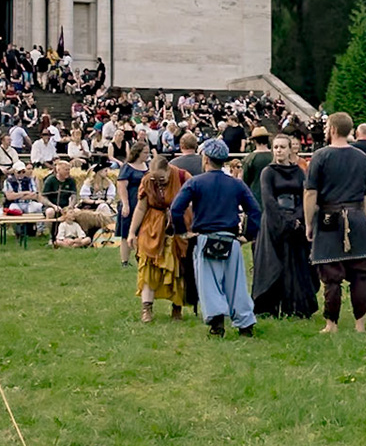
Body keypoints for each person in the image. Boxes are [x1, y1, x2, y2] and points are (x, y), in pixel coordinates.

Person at [167, 140, 262, 339]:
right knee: (236, 285)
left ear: (206, 159)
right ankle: (245, 324)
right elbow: (255, 210)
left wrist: (182, 232)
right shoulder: (236, 184)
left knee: (209, 284)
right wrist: (248, 235)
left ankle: (217, 322)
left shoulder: (195, 183)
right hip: (231, 239)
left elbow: (176, 208)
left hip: (205, 238)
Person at [304, 114, 366, 334]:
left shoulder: (320, 156)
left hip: (329, 216)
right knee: (360, 274)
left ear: (333, 129)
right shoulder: (363, 158)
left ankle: (332, 324)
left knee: (331, 275)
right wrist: (362, 217)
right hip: (356, 216)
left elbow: (310, 193)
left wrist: (308, 223)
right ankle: (360, 325)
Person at [250, 135, 316, 321]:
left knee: (296, 264)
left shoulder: (299, 172)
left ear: (290, 149)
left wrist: (297, 218)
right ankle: (268, 306)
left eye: (282, 147)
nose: (279, 150)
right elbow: (268, 199)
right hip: (273, 222)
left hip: (296, 222)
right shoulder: (268, 172)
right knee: (273, 264)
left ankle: (295, 307)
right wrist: (285, 221)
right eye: (276, 147)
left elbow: (304, 196)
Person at [130, 156, 185, 323]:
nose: (158, 182)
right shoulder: (147, 180)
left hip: (177, 226)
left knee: (177, 267)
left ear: (168, 170)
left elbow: (194, 202)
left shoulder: (182, 177)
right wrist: (132, 232)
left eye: (161, 178)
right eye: (154, 178)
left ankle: (177, 308)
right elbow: (141, 207)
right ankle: (146, 308)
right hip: (152, 226)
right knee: (148, 265)